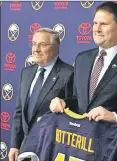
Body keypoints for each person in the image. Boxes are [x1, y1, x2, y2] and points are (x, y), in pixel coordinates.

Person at [50, 1, 117, 123]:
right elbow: (77, 101)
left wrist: (114, 116)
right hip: (79, 139)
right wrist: (63, 102)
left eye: (103, 24)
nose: (96, 29)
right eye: (95, 23)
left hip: (111, 139)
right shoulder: (82, 59)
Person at [8, 28, 74, 161]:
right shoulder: (26, 73)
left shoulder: (69, 73)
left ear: (56, 48)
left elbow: (74, 109)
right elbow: (19, 112)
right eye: (33, 44)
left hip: (51, 149)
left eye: (42, 45)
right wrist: (15, 144)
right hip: (25, 147)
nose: (36, 49)